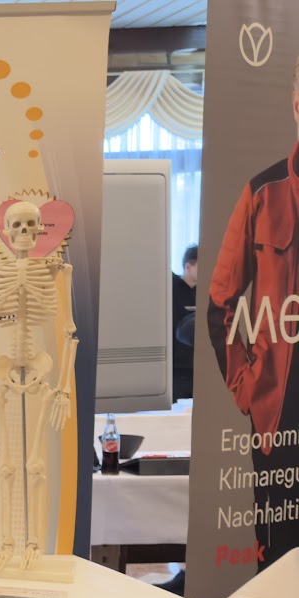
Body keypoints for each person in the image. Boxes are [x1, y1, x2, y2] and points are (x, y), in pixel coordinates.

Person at [205, 56, 299, 572]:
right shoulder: (263, 193)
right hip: (278, 418)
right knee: (277, 563)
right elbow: (220, 303)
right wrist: (247, 387)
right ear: (296, 104)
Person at [170, 244, 197, 402]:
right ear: (188, 266)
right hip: (176, 370)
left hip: (195, 368)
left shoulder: (205, 292)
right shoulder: (171, 289)